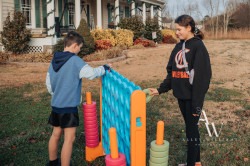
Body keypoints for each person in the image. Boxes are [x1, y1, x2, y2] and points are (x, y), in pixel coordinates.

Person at [149, 15, 212, 166]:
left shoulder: (198, 47)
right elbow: (172, 72)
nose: (176, 32)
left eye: (179, 29)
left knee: (191, 131)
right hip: (181, 96)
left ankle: (192, 163)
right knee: (191, 129)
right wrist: (160, 89)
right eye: (175, 29)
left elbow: (202, 78)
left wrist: (197, 104)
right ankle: (196, 162)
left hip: (192, 98)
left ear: (189, 28)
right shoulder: (179, 46)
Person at [46, 31, 111, 166]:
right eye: (80, 48)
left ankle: (52, 162)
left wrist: (56, 94)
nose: (79, 51)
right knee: (69, 139)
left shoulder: (54, 59)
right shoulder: (75, 61)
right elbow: (91, 74)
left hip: (56, 105)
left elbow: (49, 84)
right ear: (75, 46)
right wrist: (104, 68)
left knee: (56, 134)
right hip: (68, 108)